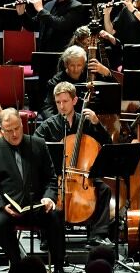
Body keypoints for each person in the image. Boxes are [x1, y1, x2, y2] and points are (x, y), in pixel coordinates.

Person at [0, 109, 68, 273]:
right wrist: (1, 205)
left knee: (56, 216)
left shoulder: (38, 144)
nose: (14, 134)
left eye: (17, 128)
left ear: (22, 125)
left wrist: (49, 198)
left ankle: (58, 268)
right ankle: (18, 266)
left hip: (34, 205)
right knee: (1, 222)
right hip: (5, 208)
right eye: (9, 130)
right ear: (1, 129)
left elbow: (51, 178)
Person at [34, 81, 115, 247]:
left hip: (82, 174)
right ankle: (47, 236)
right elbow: (34, 146)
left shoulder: (85, 122)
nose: (62, 106)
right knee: (43, 189)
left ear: (75, 101)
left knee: (104, 189)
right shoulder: (48, 125)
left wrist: (96, 123)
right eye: (58, 102)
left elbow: (107, 144)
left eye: (65, 101)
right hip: (57, 176)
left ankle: (97, 234)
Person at [16, 0, 87, 54]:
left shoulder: (77, 6)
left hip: (64, 56)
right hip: (44, 54)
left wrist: (40, 10)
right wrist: (22, 13)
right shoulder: (48, 5)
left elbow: (61, 24)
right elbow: (32, 26)